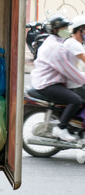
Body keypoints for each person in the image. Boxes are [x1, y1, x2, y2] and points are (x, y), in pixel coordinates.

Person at [31, 14, 85, 142]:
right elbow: (69, 71)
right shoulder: (55, 48)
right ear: (55, 30)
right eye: (63, 28)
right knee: (76, 100)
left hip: (51, 81)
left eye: (66, 27)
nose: (67, 30)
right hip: (47, 84)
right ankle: (61, 128)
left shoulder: (56, 42)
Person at [64, 15, 85, 101]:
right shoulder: (74, 44)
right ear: (80, 30)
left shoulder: (72, 42)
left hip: (74, 79)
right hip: (74, 84)